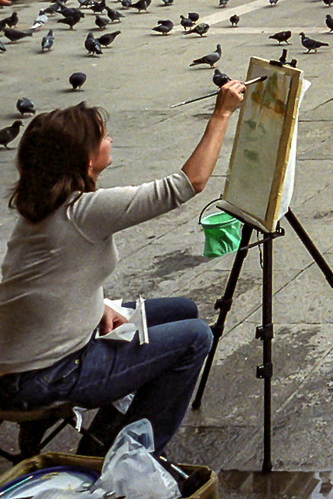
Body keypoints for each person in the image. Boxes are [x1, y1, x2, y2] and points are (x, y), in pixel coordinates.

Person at [0, 81, 245, 456]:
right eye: (103, 137)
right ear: (85, 161)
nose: (111, 139)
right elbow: (186, 184)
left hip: (24, 360)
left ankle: (104, 433)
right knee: (196, 337)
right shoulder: (82, 210)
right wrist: (221, 114)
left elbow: (46, 285)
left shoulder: (41, 204)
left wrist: (100, 306)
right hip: (45, 374)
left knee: (182, 310)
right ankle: (128, 454)